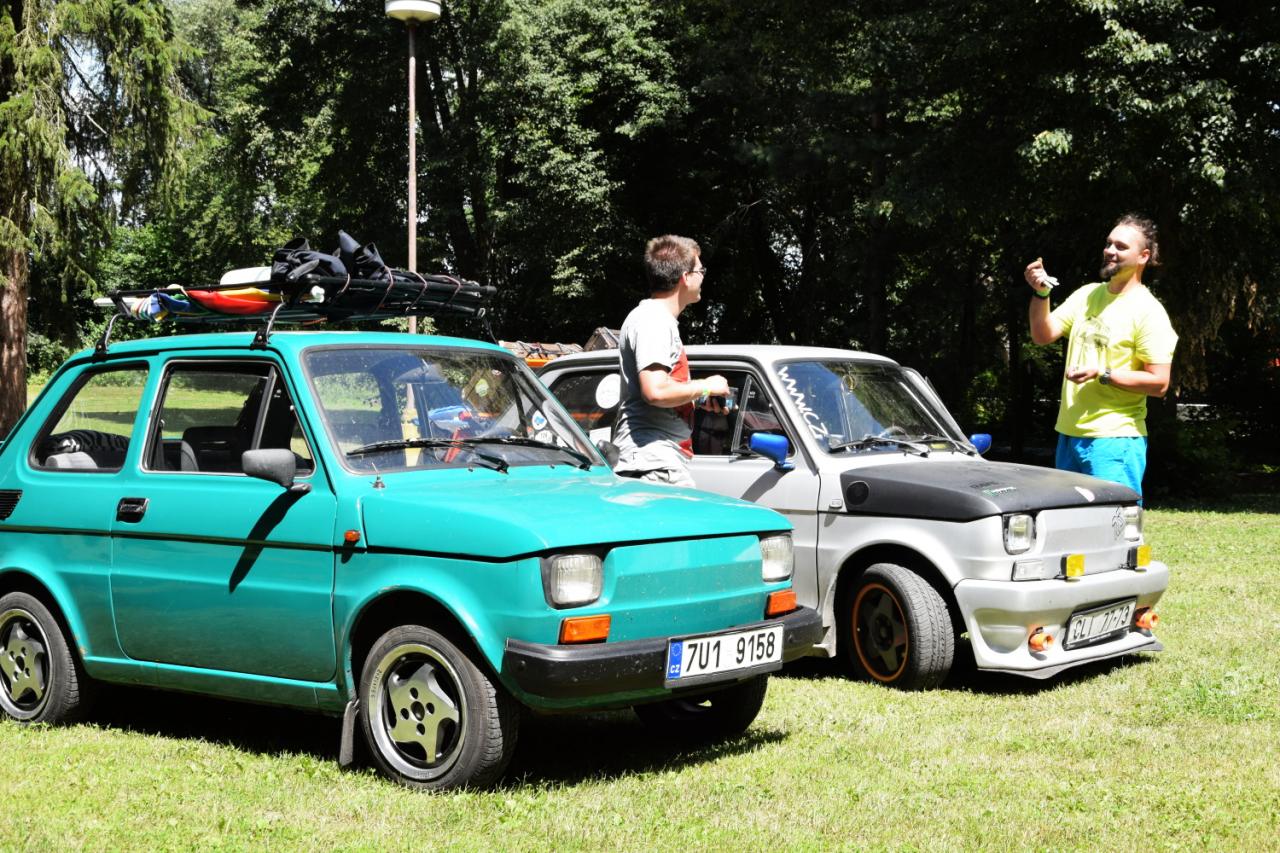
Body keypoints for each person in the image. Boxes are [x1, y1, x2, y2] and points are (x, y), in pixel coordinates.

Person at [1025, 214, 1178, 500]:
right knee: (1070, 521)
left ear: (1143, 256)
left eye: (1121, 246)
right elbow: (1042, 335)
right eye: (1109, 243)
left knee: (1113, 521)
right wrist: (1041, 293)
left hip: (1115, 440)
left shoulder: (1149, 311)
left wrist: (1102, 373)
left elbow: (1159, 383)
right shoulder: (1087, 295)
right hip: (1069, 434)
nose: (1110, 250)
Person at [612, 235, 730, 487]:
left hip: (655, 461)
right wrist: (706, 385)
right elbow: (655, 391)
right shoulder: (654, 320)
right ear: (685, 277)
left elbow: (659, 390)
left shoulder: (655, 319)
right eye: (700, 271)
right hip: (653, 463)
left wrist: (699, 397)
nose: (703, 277)